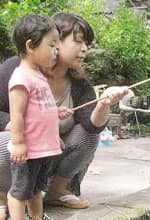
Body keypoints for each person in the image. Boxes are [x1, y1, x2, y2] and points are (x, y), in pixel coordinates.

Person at [0, 12, 128, 218]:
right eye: (78, 42)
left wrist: (104, 103)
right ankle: (5, 195)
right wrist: (27, 132)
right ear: (53, 41)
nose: (84, 49)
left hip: (48, 152)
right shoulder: (18, 71)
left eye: (87, 43)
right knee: (7, 144)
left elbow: (92, 125)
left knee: (87, 136)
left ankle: (56, 191)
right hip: (24, 148)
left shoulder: (78, 83)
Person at [6, 14, 67, 220]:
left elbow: (38, 109)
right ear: (31, 46)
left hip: (43, 150)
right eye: (52, 45)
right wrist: (18, 143)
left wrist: (55, 112)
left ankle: (37, 217)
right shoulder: (21, 77)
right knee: (20, 192)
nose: (56, 50)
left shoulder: (39, 75)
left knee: (35, 191)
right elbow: (17, 114)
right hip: (29, 152)